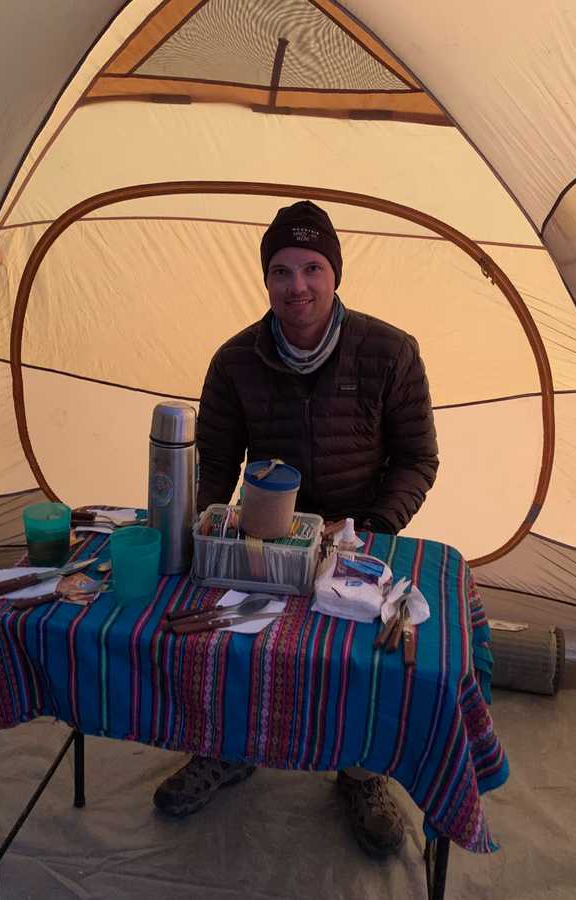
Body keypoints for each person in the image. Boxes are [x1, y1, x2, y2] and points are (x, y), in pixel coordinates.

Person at [152, 200, 439, 857]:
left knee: (366, 660)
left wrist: (371, 528)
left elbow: (418, 458)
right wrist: (201, 523)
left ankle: (362, 774)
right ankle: (226, 750)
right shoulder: (235, 362)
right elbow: (216, 465)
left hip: (357, 539)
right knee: (221, 634)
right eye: (281, 271)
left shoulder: (389, 352)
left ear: (335, 274)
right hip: (266, 533)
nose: (298, 286)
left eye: (313, 268)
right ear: (266, 280)